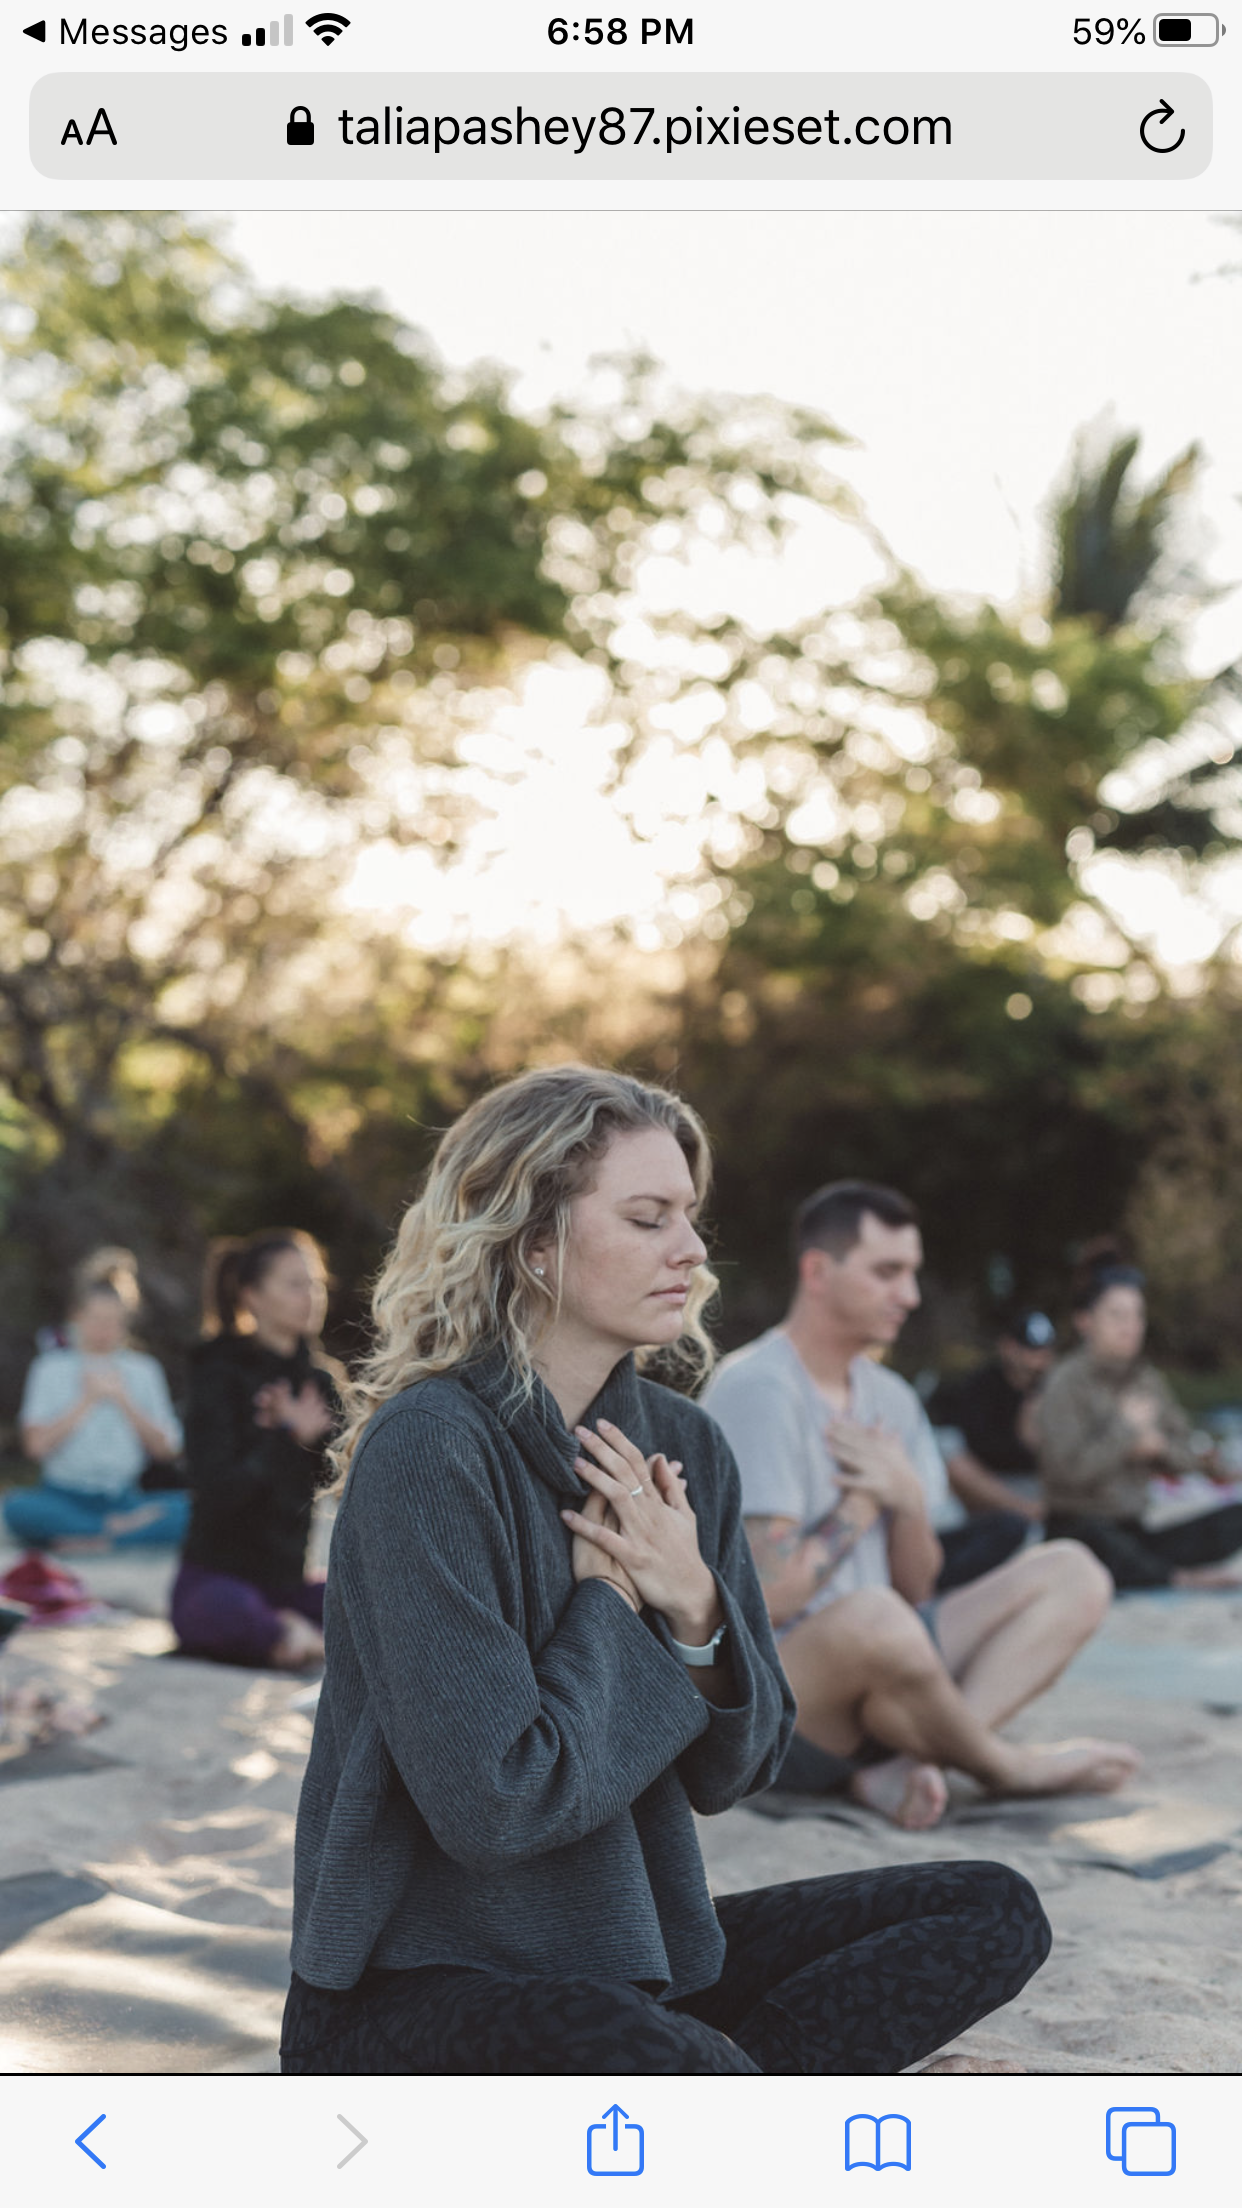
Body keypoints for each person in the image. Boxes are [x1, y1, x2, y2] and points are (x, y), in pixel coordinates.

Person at [281, 1068, 1051, 2077]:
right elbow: (495, 1808)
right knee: (652, 2052)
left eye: (688, 1216)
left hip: (627, 1960)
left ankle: (714, 2092)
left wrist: (692, 1600)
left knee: (992, 1909)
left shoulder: (683, 1444)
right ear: (535, 1242)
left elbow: (741, 1766)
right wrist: (608, 1599)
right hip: (418, 1990)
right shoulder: (430, 1451)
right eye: (648, 1218)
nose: (690, 1249)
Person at [702, 1181, 1139, 1833]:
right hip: (788, 1700)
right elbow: (769, 1595)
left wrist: (906, 1498)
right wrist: (863, 1502)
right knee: (877, 1617)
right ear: (817, 1271)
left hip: (892, 1673)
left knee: (1075, 1571)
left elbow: (920, 1582)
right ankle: (1002, 1765)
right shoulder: (759, 1388)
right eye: (887, 1272)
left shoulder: (893, 1398)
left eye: (911, 1272)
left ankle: (914, 1760)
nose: (908, 1294)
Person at [170, 1231, 339, 1668]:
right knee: (225, 1610)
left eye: (315, 1284)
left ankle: (295, 1633)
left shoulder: (320, 1384)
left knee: (374, 1602)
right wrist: (287, 1439)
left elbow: (347, 1485)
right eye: (294, 1284)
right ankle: (288, 1635)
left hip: (288, 1584)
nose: (311, 1296)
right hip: (217, 1577)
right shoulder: (217, 1372)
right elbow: (218, 1489)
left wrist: (315, 1441)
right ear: (252, 1296)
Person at [1038, 1263, 1242, 1590]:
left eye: (1137, 1316)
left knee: (1233, 1519)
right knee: (1090, 1542)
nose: (1130, 1327)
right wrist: (1125, 1435)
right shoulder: (1064, 1382)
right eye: (1117, 1316)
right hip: (1080, 1526)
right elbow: (1064, 1472)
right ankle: (1175, 1578)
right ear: (1085, 1321)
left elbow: (1187, 1449)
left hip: (1134, 1528)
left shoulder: (1148, 1381)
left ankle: (1149, 1568)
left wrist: (1160, 1448)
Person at [4, 1278, 188, 1554]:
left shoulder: (143, 1370)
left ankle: (90, 1537)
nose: (105, 1330)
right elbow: (35, 1447)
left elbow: (167, 1450)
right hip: (63, 1496)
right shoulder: (50, 1368)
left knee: (191, 1509)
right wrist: (87, 1399)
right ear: (76, 1317)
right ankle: (118, 1532)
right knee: (17, 1508)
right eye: (97, 1320)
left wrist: (123, 1400)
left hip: (125, 1498)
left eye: (114, 1322)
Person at [928, 1308, 1056, 1589]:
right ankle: (1026, 1513)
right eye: (1029, 1350)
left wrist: (1035, 1433)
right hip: (990, 1490)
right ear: (1008, 1347)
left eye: (1043, 1352)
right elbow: (960, 1456)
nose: (1037, 1361)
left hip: (1043, 1488)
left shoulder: (1053, 1389)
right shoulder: (979, 1387)